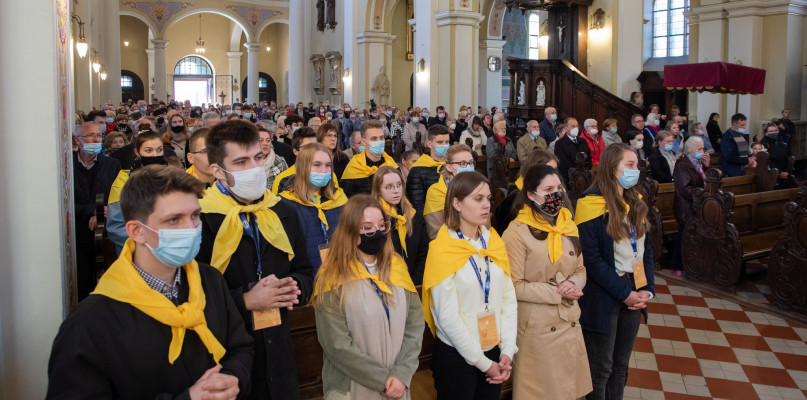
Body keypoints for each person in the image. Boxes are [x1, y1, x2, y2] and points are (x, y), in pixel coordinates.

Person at [47, 165, 254, 399]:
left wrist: (233, 377)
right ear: (136, 231)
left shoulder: (210, 280)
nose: (192, 229)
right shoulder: (90, 323)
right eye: (174, 220)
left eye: (195, 215)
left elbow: (239, 346)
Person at [197, 120, 315, 400]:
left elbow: (306, 272)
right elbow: (193, 296)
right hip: (226, 356)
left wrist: (291, 287)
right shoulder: (201, 219)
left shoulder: (282, 211)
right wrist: (247, 301)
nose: (254, 167)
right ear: (217, 170)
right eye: (241, 161)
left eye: (258, 158)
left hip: (279, 344)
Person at [312, 194, 424, 400]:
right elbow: (337, 345)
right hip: (353, 387)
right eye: (367, 227)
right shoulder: (331, 276)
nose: (377, 232)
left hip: (397, 384)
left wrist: (401, 374)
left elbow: (414, 326)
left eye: (382, 226)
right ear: (350, 231)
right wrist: (384, 380)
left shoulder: (396, 266)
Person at [422, 171, 518, 400]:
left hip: (493, 349)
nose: (486, 205)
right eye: (478, 199)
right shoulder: (442, 249)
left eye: (488, 199)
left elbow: (508, 300)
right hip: (457, 356)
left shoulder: (493, 241)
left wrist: (506, 351)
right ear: (456, 202)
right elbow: (447, 316)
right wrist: (483, 363)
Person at [501, 164, 591, 399]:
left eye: (559, 188)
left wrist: (575, 284)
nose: (556, 195)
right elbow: (514, 285)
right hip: (537, 327)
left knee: (572, 391)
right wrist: (559, 292)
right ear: (531, 195)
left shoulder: (567, 223)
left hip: (569, 318)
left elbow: (580, 268)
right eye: (548, 189)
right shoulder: (517, 232)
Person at [575, 143, 655, 400]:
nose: (636, 171)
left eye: (637, 165)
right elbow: (592, 259)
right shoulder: (591, 205)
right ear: (612, 169)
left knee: (621, 366)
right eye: (630, 166)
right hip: (604, 296)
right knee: (601, 368)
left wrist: (646, 290)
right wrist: (625, 293)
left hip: (634, 291)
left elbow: (646, 250)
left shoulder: (636, 202)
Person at [279, 143, 347, 273]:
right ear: (303, 167)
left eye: (328, 165)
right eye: (316, 165)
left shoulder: (340, 199)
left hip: (339, 276)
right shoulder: (285, 204)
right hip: (305, 279)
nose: (324, 170)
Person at [73, 122, 122, 299]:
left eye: (99, 136)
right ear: (77, 140)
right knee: (82, 283)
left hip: (106, 232)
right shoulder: (68, 165)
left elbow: (117, 197)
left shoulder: (111, 164)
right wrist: (94, 210)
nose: (96, 139)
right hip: (76, 233)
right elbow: (65, 202)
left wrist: (103, 211)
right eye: (90, 136)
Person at [107, 130, 175, 253]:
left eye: (159, 150)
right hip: (135, 249)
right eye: (148, 151)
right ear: (137, 152)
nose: (155, 155)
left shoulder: (175, 178)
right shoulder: (123, 181)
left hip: (171, 246)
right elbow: (115, 227)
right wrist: (151, 241)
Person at [372, 166, 429, 285]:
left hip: (414, 281)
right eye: (389, 187)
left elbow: (424, 251)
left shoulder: (413, 215)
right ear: (378, 190)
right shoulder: (373, 220)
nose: (396, 190)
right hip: (386, 282)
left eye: (399, 185)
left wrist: (414, 279)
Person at [492, 149, 560, 233]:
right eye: (548, 169)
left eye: (555, 170)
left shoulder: (559, 192)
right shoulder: (515, 198)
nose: (553, 174)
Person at [672, 136, 710, 276]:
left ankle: (694, 264)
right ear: (690, 149)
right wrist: (703, 195)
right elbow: (685, 188)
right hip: (686, 207)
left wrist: (707, 166)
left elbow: (706, 180)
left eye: (703, 148)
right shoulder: (682, 164)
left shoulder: (698, 162)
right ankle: (677, 265)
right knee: (683, 235)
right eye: (699, 149)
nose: (702, 151)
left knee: (696, 236)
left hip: (699, 205)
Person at [423, 144, 476, 241]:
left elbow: (485, 224)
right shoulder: (436, 192)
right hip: (449, 247)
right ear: (449, 167)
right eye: (463, 163)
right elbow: (435, 232)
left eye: (471, 163)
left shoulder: (478, 187)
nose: (469, 167)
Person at [341, 120, 400, 197]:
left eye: (381, 138)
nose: (379, 141)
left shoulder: (393, 166)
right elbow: (348, 204)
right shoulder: (353, 169)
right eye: (374, 139)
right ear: (363, 142)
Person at [407, 125, 451, 214]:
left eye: (447, 142)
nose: (444, 145)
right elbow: (417, 204)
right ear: (429, 144)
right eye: (440, 142)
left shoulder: (451, 165)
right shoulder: (417, 170)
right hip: (431, 219)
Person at [272, 127, 321, 194]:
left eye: (315, 146)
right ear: (295, 151)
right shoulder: (283, 179)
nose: (313, 150)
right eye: (307, 147)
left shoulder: (327, 174)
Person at [553, 117, 591, 185]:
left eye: (577, 126)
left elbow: (588, 158)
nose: (576, 128)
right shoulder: (560, 144)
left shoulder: (583, 141)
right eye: (573, 126)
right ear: (566, 129)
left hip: (585, 177)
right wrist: (577, 173)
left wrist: (585, 172)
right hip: (569, 179)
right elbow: (563, 163)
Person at [720, 113, 754, 177]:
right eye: (742, 125)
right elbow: (729, 157)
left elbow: (746, 151)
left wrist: (750, 158)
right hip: (732, 171)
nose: (744, 127)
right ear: (734, 124)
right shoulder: (727, 137)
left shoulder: (742, 135)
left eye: (745, 124)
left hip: (744, 169)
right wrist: (746, 160)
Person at [258, 125, 290, 191]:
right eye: (261, 140)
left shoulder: (279, 161)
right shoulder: (247, 163)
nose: (265, 143)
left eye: (268, 140)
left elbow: (287, 186)